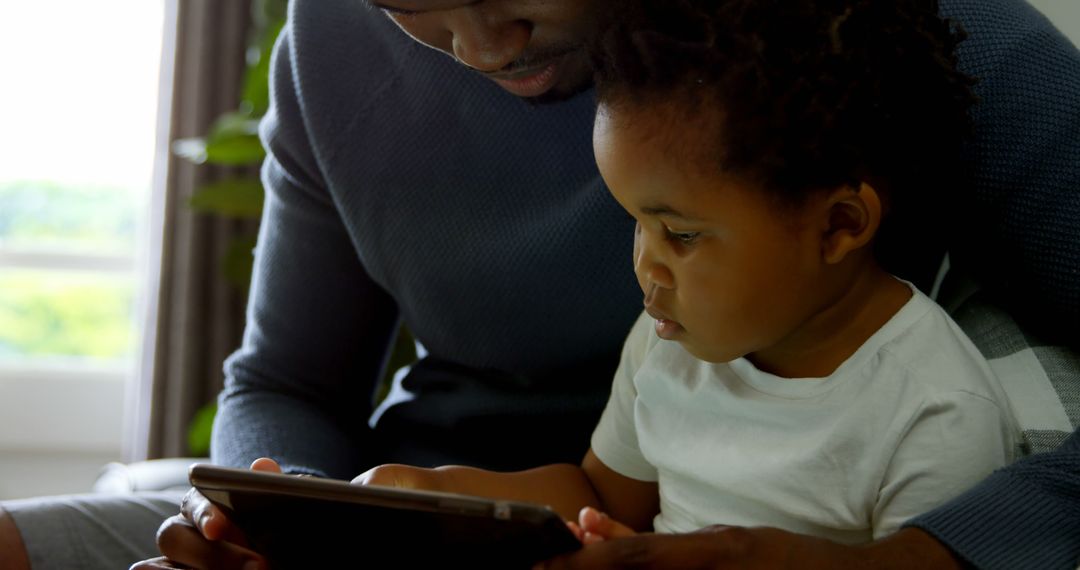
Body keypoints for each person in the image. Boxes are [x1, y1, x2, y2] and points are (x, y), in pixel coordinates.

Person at [0, 0, 1076, 568]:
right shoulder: (328, 45)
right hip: (423, 527)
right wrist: (283, 525)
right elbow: (284, 381)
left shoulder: (875, 40)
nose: (479, 42)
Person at [350, 0, 1016, 552]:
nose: (646, 263)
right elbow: (603, 497)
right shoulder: (669, 343)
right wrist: (427, 493)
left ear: (839, 225)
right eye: (637, 224)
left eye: (683, 234)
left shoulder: (936, 414)